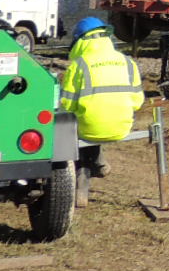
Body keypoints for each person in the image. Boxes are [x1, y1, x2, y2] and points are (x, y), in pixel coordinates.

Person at [60, 16, 145, 178]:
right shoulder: (127, 62)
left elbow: (67, 106)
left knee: (80, 125)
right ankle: (99, 163)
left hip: (88, 129)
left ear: (80, 40)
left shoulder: (79, 65)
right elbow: (137, 102)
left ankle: (84, 170)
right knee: (94, 124)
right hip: (122, 128)